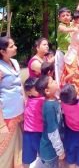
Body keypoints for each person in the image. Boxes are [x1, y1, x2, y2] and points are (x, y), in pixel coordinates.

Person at [0, 36, 24, 168]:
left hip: (19, 111)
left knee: (18, 146)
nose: (15, 47)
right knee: (6, 151)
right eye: (11, 46)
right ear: (2, 51)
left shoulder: (15, 62)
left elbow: (19, 84)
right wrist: (1, 123)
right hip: (7, 114)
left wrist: (25, 103)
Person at [35, 75, 65, 167]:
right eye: (52, 81)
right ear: (47, 91)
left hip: (52, 149)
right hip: (50, 152)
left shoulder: (53, 99)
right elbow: (52, 132)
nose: (55, 81)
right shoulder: (49, 107)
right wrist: (60, 151)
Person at [60, 84, 79, 168]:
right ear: (76, 96)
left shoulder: (64, 103)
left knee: (71, 151)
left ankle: (71, 165)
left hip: (70, 130)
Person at [22, 77, 44, 168]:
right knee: (44, 154)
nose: (40, 89)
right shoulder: (42, 100)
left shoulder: (27, 101)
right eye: (36, 88)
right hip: (38, 133)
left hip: (27, 133)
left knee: (27, 157)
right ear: (29, 92)